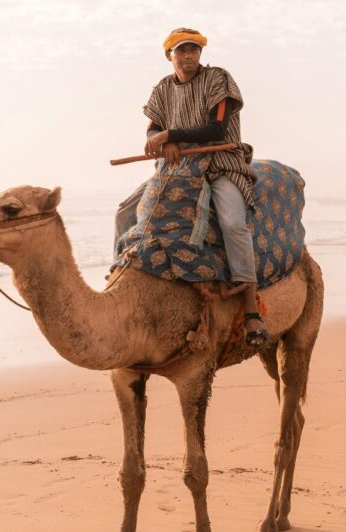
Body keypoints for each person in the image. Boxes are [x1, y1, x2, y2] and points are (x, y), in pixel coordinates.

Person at [114, 27, 268, 348]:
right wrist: (160, 145)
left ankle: (252, 310)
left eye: (194, 50)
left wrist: (170, 136)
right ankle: (118, 283)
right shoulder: (162, 90)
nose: (188, 56)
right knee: (125, 212)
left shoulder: (217, 80)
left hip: (221, 164)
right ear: (169, 55)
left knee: (232, 223)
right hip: (179, 168)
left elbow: (217, 127)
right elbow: (152, 131)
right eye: (182, 51)